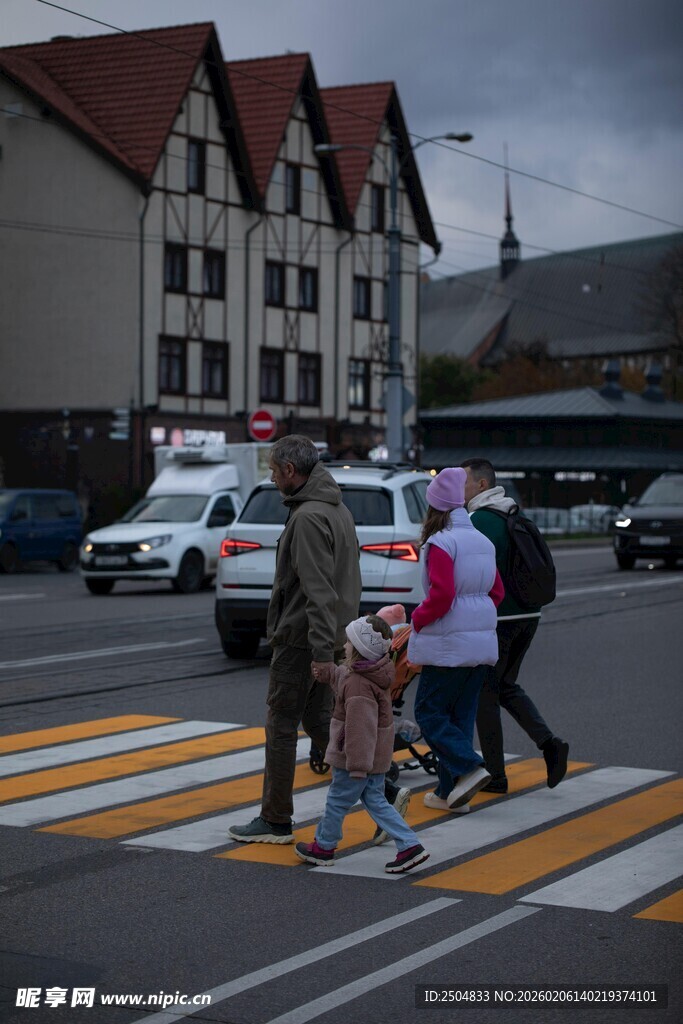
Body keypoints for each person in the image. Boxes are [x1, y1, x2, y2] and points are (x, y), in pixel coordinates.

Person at [228, 436, 362, 844]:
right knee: (319, 722)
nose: (271, 479)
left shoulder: (306, 517)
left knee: (281, 725)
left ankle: (275, 820)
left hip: (303, 639)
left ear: (290, 471)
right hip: (331, 634)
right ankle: (385, 788)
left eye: (272, 471)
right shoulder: (336, 509)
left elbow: (318, 591)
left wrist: (321, 653)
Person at [462, 457, 569, 793]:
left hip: (501, 618)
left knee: (484, 693)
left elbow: (469, 574)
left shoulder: (478, 520)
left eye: (463, 482)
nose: (459, 490)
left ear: (481, 485)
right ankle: (549, 743)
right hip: (529, 615)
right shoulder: (514, 513)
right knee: (504, 685)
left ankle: (496, 774)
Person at [295, 615, 430, 873]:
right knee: (376, 800)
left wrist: (357, 766)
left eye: (348, 642)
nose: (344, 645)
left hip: (356, 759)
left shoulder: (358, 686)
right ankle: (410, 844)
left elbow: (360, 730)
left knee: (337, 800)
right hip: (373, 757)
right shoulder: (365, 674)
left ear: (358, 649)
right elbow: (342, 677)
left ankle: (324, 847)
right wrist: (328, 673)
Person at [408, 467, 505, 810]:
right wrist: (474, 619)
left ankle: (469, 767)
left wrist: (416, 620)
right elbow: (496, 591)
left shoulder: (441, 542)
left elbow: (442, 596)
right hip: (479, 644)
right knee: (459, 717)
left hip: (447, 645)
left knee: (429, 713)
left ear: (434, 507)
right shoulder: (482, 540)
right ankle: (451, 794)